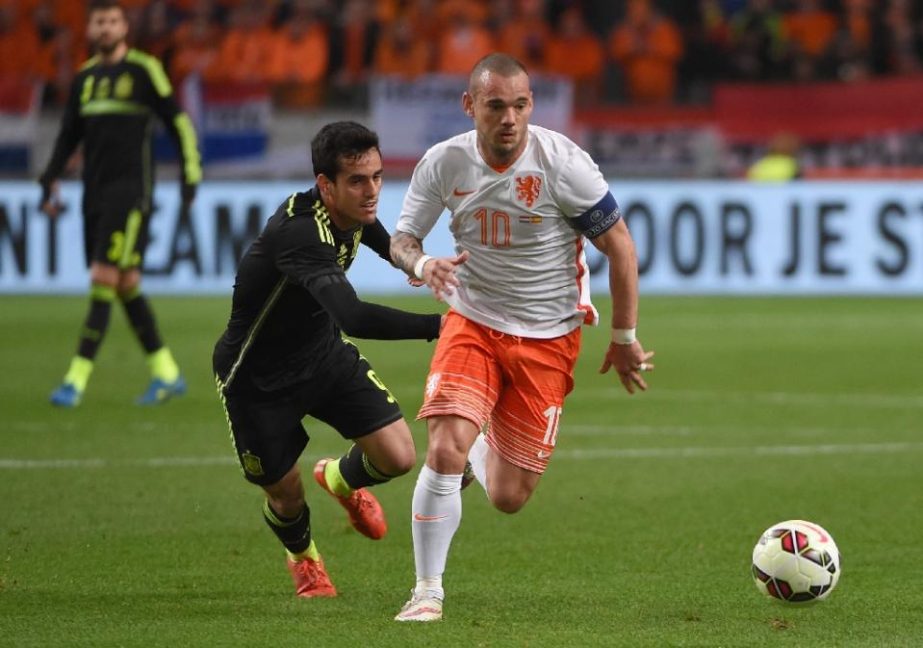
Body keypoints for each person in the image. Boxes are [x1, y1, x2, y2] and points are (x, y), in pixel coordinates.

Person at [389, 53, 655, 622]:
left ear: (530, 105)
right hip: (472, 320)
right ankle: (427, 591)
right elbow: (402, 239)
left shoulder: (562, 164)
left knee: (509, 496)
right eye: (495, 106)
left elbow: (621, 247)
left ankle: (475, 453)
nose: (509, 118)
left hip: (548, 335)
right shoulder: (445, 163)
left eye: (520, 105)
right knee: (441, 445)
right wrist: (422, 265)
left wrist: (625, 336)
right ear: (470, 106)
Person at [212, 121, 444, 598]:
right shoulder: (300, 233)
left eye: (378, 176)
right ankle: (305, 559)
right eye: (358, 180)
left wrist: (423, 266)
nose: (372, 190)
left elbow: (386, 243)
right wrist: (439, 326)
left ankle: (338, 478)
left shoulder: (353, 212)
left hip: (320, 355)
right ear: (326, 185)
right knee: (286, 495)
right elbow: (354, 316)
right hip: (256, 378)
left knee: (399, 456)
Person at [39, 0, 202, 407]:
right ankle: (167, 374)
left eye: (113, 21)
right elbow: (68, 135)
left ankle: (75, 381)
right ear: (91, 29)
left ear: (124, 26)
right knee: (127, 284)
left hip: (130, 194)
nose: (107, 28)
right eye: (100, 22)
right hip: (93, 192)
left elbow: (177, 121)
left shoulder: (144, 70)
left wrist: (190, 172)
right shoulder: (85, 78)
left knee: (103, 277)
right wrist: (49, 178)